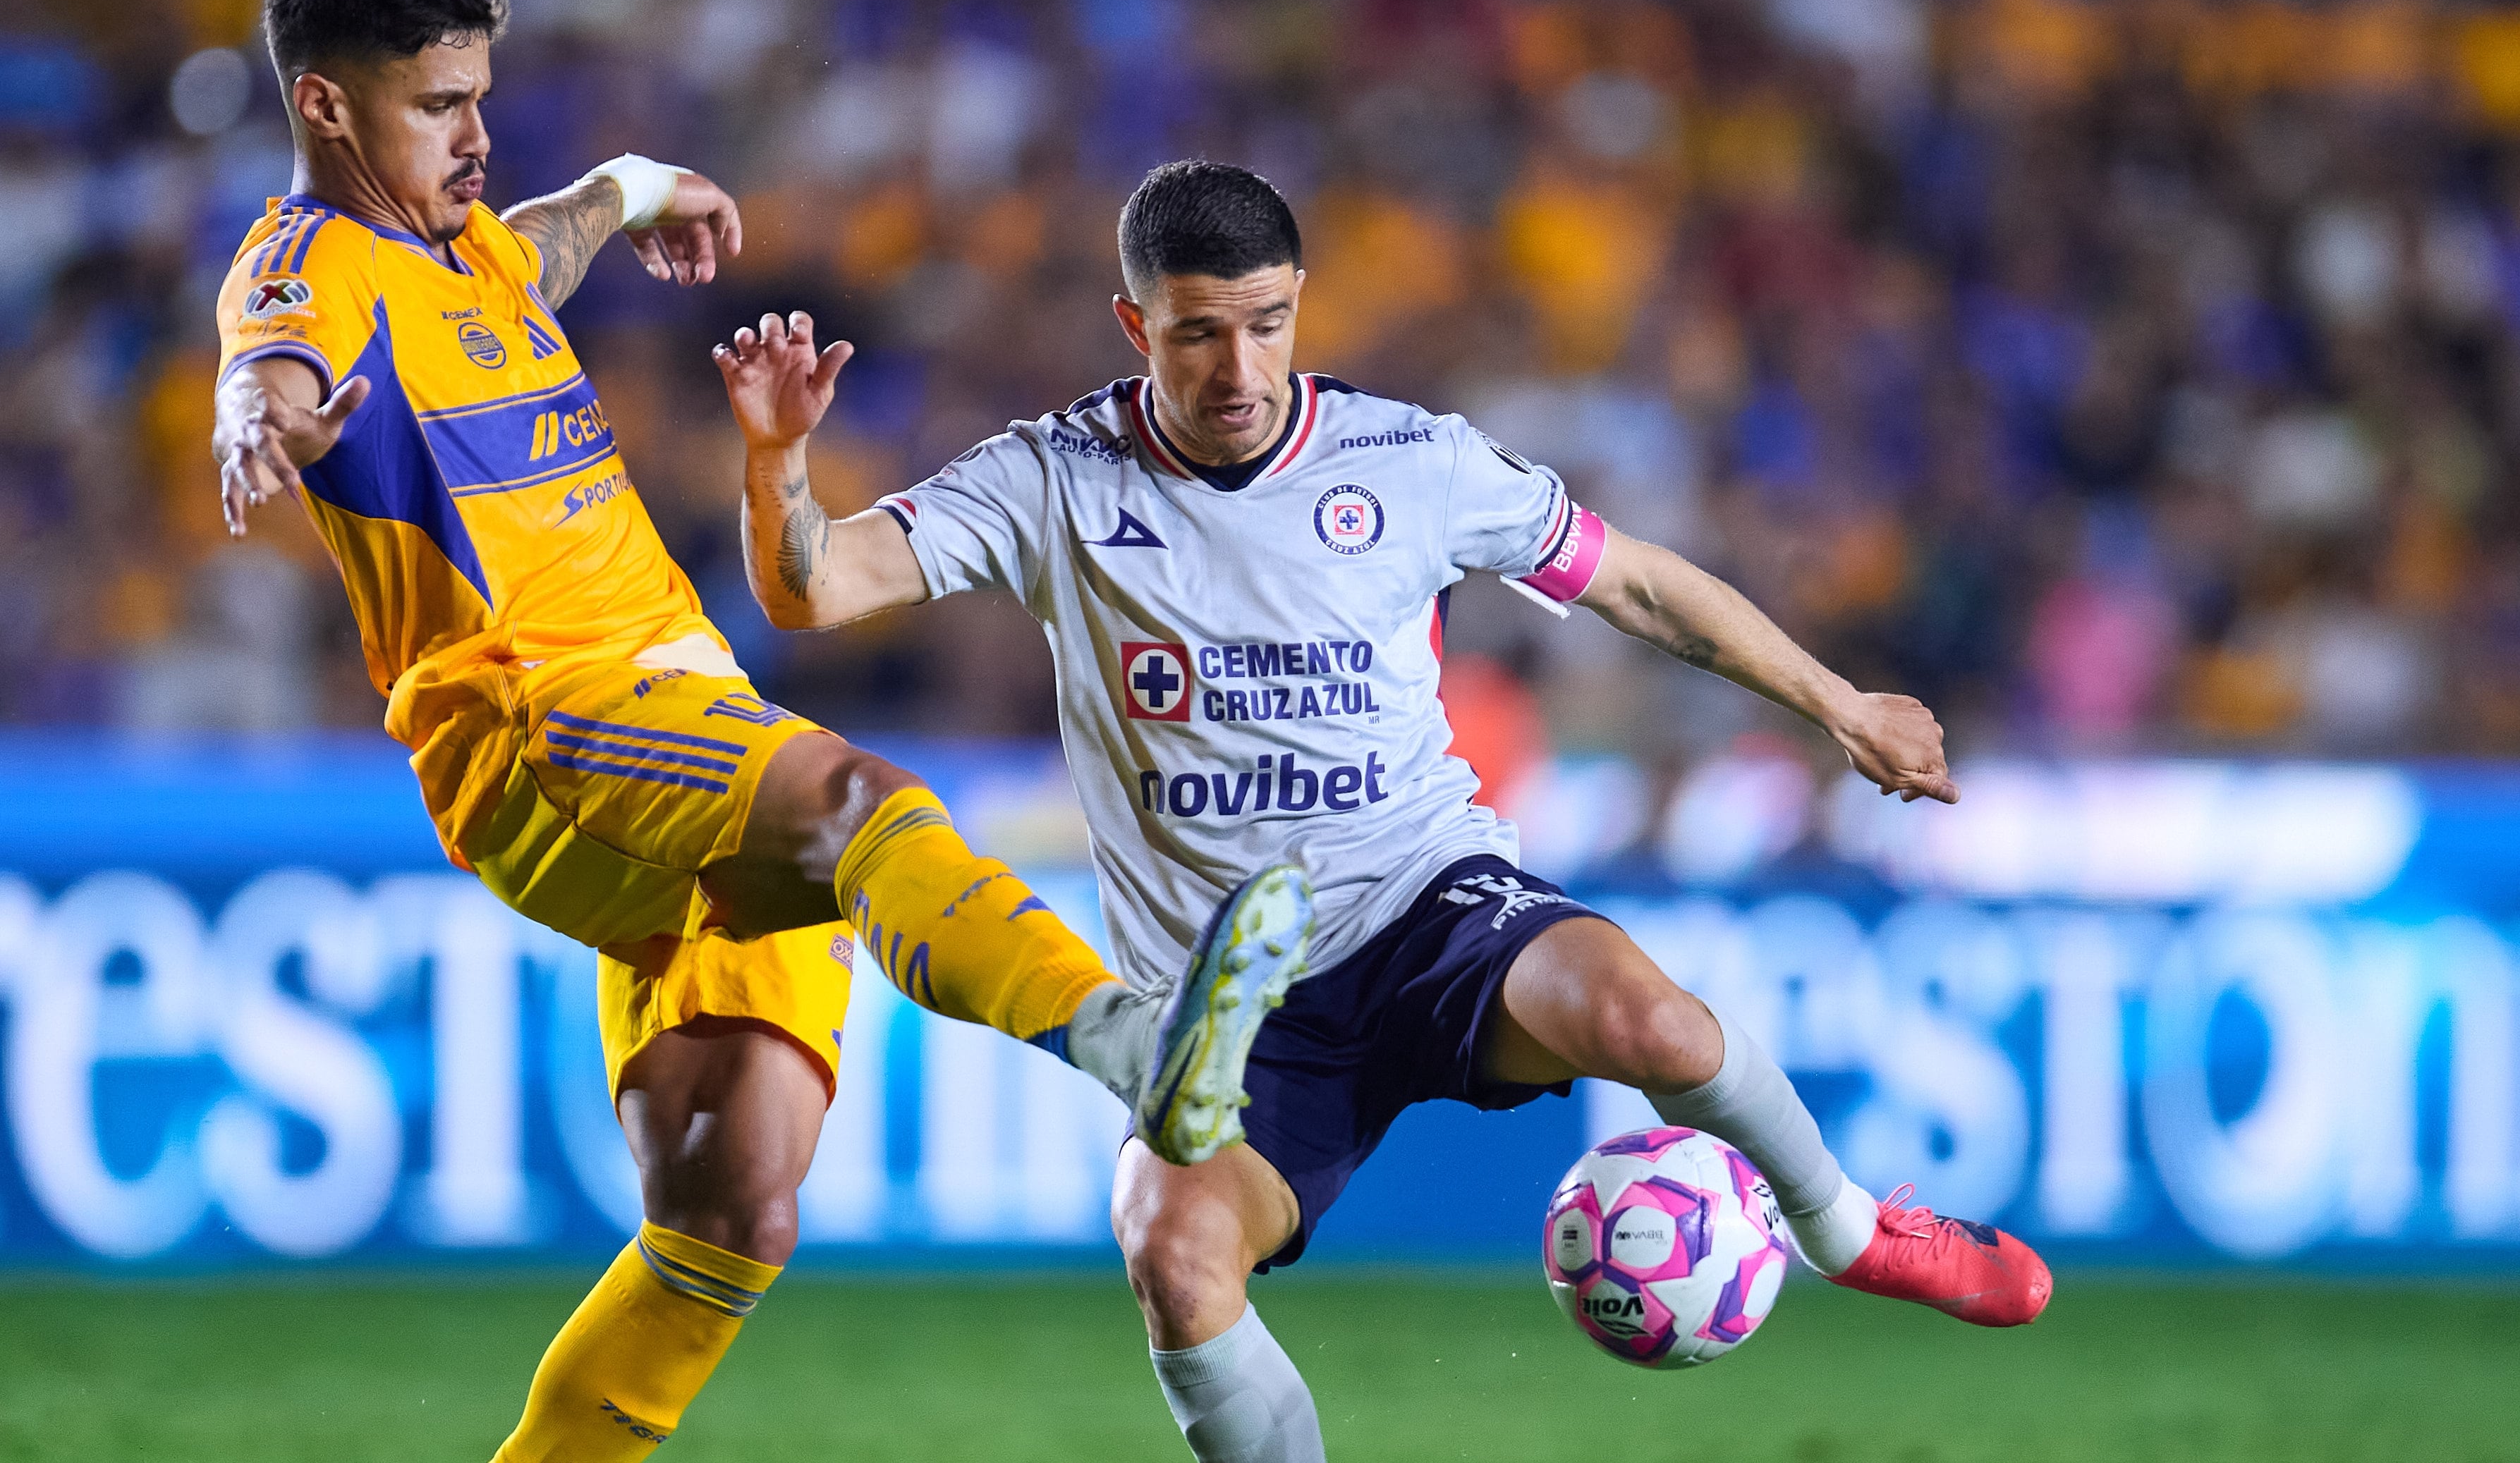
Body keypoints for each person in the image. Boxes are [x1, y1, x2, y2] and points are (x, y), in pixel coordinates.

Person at [723, 159, 2053, 1463]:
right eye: (1197, 335)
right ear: (1136, 326)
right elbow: (817, 586)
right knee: (1173, 1258)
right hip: (1232, 1010)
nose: (1240, 370)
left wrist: (1838, 703)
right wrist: (779, 459)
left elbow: (1634, 584)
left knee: (1647, 1018)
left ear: (1301, 301)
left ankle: (1852, 1232)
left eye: (1267, 324)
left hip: (1430, 904)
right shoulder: (1055, 478)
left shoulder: (1410, 460)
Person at [209, 0, 1312, 1463]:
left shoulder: (471, 251)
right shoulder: (307, 268)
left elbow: (559, 225)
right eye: (438, 105)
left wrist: (652, 181)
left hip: (670, 730)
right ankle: (1127, 1042)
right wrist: (249, 415)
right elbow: (270, 350)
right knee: (863, 802)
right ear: (326, 108)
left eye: (480, 97)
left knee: (733, 1207)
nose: (473, 135)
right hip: (547, 720)